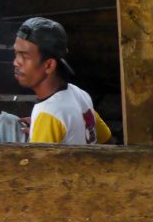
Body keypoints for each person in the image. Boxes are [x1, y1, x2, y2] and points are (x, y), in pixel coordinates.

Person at [13, 16, 112, 145]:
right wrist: (45, 129)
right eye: (16, 54)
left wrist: (46, 127)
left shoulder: (47, 115)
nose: (16, 62)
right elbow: (107, 140)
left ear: (49, 65)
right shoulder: (79, 94)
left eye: (25, 56)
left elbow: (37, 164)